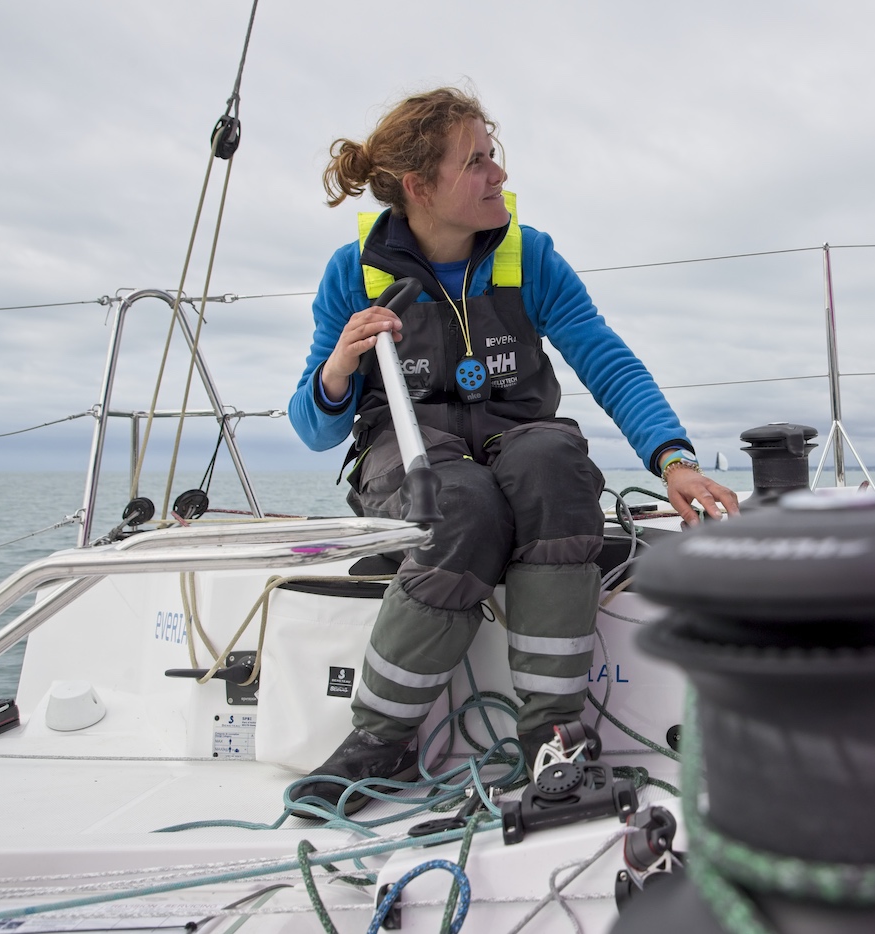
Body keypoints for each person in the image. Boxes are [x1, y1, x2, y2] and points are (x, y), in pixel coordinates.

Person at [286, 87, 739, 813]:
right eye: (477, 163)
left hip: (521, 440)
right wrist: (340, 364)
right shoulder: (355, 272)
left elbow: (605, 361)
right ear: (420, 187)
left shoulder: (530, 258)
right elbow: (312, 427)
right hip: (412, 455)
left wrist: (672, 458)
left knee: (554, 475)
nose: (499, 176)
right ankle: (383, 739)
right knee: (461, 508)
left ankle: (553, 737)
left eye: (493, 157)